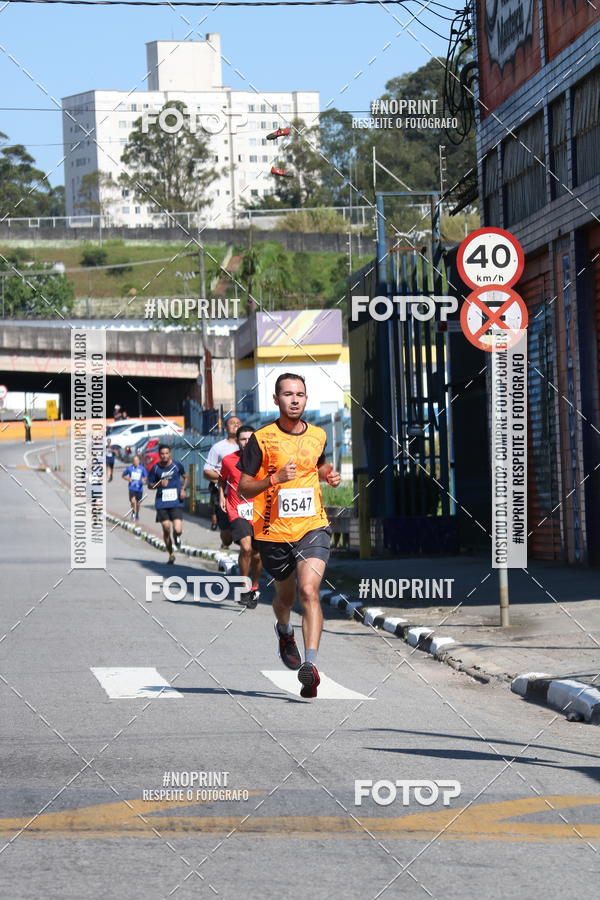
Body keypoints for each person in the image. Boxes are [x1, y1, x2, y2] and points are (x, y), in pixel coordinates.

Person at [238, 374, 340, 698]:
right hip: (272, 532)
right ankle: (284, 631)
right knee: (285, 599)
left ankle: (310, 668)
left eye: (300, 394)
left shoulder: (318, 435)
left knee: (309, 591)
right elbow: (243, 487)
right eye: (287, 394)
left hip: (312, 526)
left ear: (306, 399)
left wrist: (329, 474)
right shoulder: (261, 439)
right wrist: (274, 479)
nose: (294, 399)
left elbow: (317, 466)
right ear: (276, 399)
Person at [218, 425, 262, 609]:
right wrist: (222, 497)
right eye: (243, 439)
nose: (246, 442)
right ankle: (244, 586)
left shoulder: (263, 459)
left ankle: (254, 586)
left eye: (250, 439)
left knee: (257, 555)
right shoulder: (229, 460)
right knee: (246, 547)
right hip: (237, 509)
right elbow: (222, 479)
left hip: (258, 511)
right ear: (237, 441)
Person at [203, 415, 242, 549]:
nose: (236, 425)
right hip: (224, 493)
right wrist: (226, 478)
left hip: (244, 495)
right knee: (227, 538)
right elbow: (207, 472)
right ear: (225, 428)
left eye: (238, 423)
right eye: (232, 423)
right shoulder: (218, 447)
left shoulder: (249, 445)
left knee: (246, 538)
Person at [148, 444, 188, 564]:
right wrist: (159, 484)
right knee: (166, 529)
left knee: (177, 529)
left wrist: (183, 489)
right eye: (162, 454)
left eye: (166, 453)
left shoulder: (176, 465)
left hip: (176, 502)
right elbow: (150, 485)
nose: (164, 456)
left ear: (170, 453)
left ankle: (176, 536)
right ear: (159, 455)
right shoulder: (155, 468)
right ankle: (171, 554)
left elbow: (186, 477)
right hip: (162, 503)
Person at [122, 453, 148, 521]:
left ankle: (137, 514)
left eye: (137, 460)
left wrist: (143, 479)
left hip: (139, 488)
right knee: (133, 501)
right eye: (134, 460)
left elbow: (146, 477)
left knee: (138, 503)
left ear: (139, 461)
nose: (136, 462)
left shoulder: (142, 468)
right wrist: (128, 479)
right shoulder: (129, 468)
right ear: (133, 461)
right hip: (132, 488)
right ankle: (133, 512)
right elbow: (123, 475)